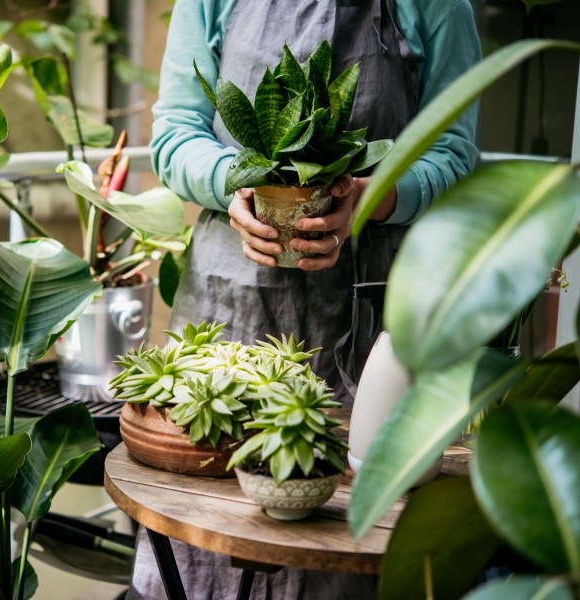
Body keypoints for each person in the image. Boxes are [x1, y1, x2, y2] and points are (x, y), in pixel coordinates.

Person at [127, 1, 481, 598]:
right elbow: (174, 134)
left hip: (369, 324)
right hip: (230, 315)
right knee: (211, 540)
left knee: (351, 547)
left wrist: (371, 197)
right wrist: (232, 183)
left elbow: (454, 153)